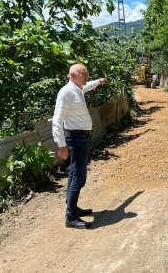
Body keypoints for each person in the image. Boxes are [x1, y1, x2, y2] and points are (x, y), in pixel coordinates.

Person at [52, 63, 108, 229]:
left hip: (82, 138)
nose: (87, 78)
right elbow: (56, 120)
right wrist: (61, 145)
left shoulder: (78, 88)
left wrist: (98, 81)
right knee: (78, 177)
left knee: (75, 174)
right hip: (75, 139)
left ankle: (73, 207)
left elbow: (88, 86)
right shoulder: (66, 92)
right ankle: (70, 217)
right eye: (84, 75)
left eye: (87, 75)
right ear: (72, 76)